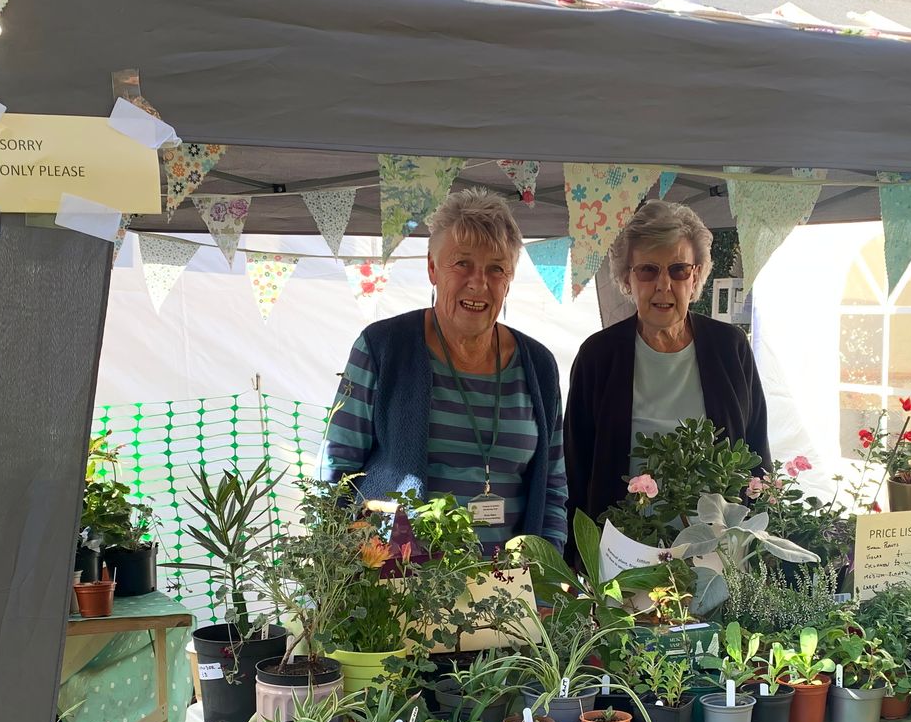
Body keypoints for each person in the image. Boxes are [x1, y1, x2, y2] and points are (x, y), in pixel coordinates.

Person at [323, 188, 568, 549]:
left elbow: (553, 488)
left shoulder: (538, 365)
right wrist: (342, 573)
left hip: (509, 594)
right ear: (433, 268)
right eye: (462, 263)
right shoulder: (382, 347)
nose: (478, 282)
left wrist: (546, 581)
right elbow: (336, 472)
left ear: (510, 278)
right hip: (404, 588)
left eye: (496, 268)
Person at [564, 199, 770, 530]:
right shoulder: (597, 356)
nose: (663, 285)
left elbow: (757, 452)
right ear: (627, 278)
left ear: (696, 275)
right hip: (625, 552)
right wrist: (578, 556)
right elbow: (575, 468)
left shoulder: (730, 348)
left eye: (678, 269)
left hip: (718, 551)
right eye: (648, 270)